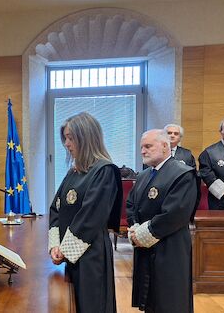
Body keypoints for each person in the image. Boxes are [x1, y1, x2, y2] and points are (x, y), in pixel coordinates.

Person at [48, 112, 122, 313]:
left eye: (71, 138)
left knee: (92, 306)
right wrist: (55, 245)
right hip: (71, 253)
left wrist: (64, 250)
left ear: (87, 137)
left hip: (91, 254)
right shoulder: (74, 172)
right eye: (65, 138)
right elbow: (56, 208)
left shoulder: (104, 170)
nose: (66, 144)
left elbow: (90, 217)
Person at [128, 129, 197, 313]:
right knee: (150, 299)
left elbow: (175, 213)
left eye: (148, 146)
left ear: (165, 146)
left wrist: (142, 234)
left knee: (169, 300)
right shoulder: (143, 175)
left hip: (170, 247)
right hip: (145, 248)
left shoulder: (183, 174)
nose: (143, 151)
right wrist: (134, 228)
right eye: (141, 147)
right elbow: (131, 205)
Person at [164, 123, 200, 219]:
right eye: (169, 133)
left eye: (176, 134)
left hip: (181, 195)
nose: (172, 135)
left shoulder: (187, 154)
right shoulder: (157, 152)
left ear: (180, 138)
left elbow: (193, 177)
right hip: (162, 193)